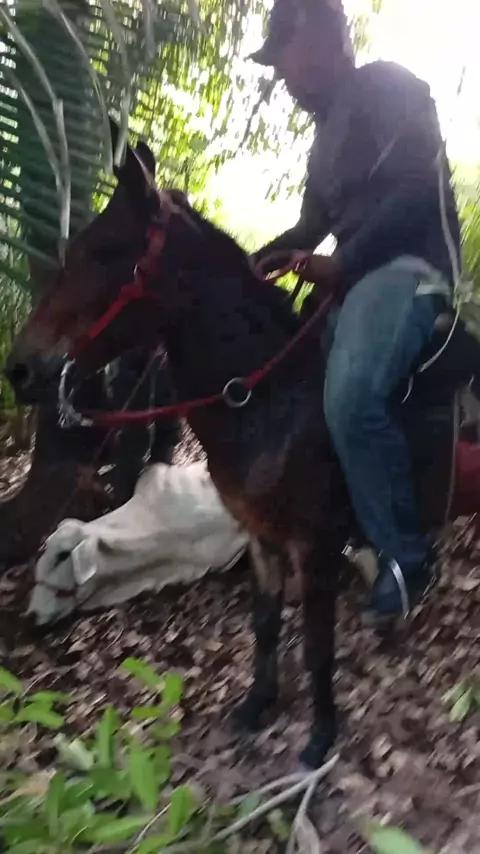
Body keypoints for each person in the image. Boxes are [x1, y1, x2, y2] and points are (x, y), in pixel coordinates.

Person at [250, 0, 462, 628]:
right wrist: (249, 263)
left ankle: (407, 560)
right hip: (354, 279)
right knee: (294, 393)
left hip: (408, 269)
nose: (281, 75)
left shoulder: (387, 86)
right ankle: (339, 533)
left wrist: (343, 265)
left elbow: (418, 189)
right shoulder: (322, 142)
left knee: (350, 397)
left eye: (283, 57)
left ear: (322, 40)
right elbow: (310, 228)